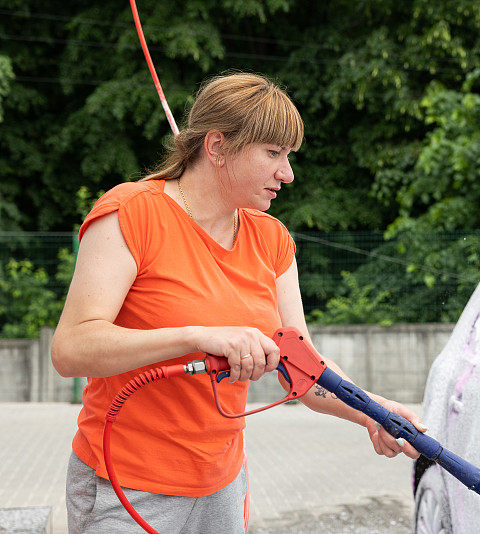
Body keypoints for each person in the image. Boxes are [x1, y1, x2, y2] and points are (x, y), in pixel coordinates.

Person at [51, 72, 426, 534]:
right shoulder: (132, 213)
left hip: (222, 485)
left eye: (288, 156)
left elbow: (304, 368)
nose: (287, 173)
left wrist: (374, 412)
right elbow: (71, 349)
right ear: (217, 146)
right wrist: (195, 336)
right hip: (124, 482)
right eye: (273, 153)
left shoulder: (271, 239)